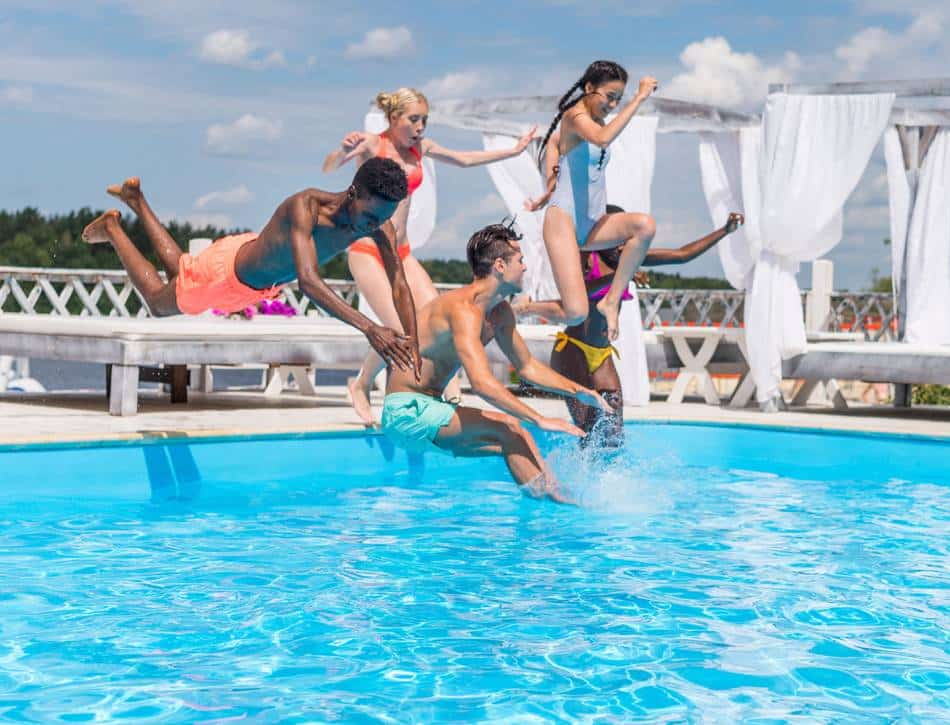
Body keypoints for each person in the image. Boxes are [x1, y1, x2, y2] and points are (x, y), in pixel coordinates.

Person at [82, 159, 421, 374]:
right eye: (371, 216)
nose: (373, 225)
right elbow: (309, 282)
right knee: (158, 303)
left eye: (384, 218)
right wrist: (370, 328)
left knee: (182, 271)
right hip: (227, 278)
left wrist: (414, 344)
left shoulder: (381, 226)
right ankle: (113, 230)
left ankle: (137, 202)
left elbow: (399, 285)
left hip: (243, 266)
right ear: (353, 193)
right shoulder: (306, 207)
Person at [323, 87, 538, 424]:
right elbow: (329, 167)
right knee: (398, 327)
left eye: (425, 119)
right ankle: (361, 385)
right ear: (394, 119)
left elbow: (464, 159)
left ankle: (438, 384)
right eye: (414, 119)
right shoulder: (371, 143)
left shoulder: (421, 148)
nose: (421, 126)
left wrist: (513, 151)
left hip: (402, 252)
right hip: (368, 249)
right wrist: (342, 150)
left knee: (430, 319)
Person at [381, 222, 609, 503]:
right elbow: (481, 384)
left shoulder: (499, 313)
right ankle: (554, 507)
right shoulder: (463, 310)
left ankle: (556, 505)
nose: (525, 267)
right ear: (500, 266)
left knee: (516, 438)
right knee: (510, 427)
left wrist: (581, 392)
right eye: (521, 260)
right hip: (406, 411)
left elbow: (527, 367)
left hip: (433, 409)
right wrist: (540, 418)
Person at [516, 207, 744, 448]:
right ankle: (578, 481)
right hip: (574, 351)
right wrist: (619, 279)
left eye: (627, 241)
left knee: (613, 436)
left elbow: (682, 254)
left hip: (602, 355)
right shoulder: (586, 258)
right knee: (588, 433)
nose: (623, 248)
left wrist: (724, 231)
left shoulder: (628, 259)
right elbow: (577, 299)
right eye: (618, 241)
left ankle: (609, 484)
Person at [524, 60, 659, 343]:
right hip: (563, 222)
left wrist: (550, 182)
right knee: (575, 313)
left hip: (593, 222)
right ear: (589, 88)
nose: (612, 105)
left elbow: (562, 149)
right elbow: (601, 139)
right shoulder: (575, 116)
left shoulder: (592, 122)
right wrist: (638, 98)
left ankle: (610, 300)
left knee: (644, 226)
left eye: (618, 99)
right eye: (609, 97)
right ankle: (524, 307)